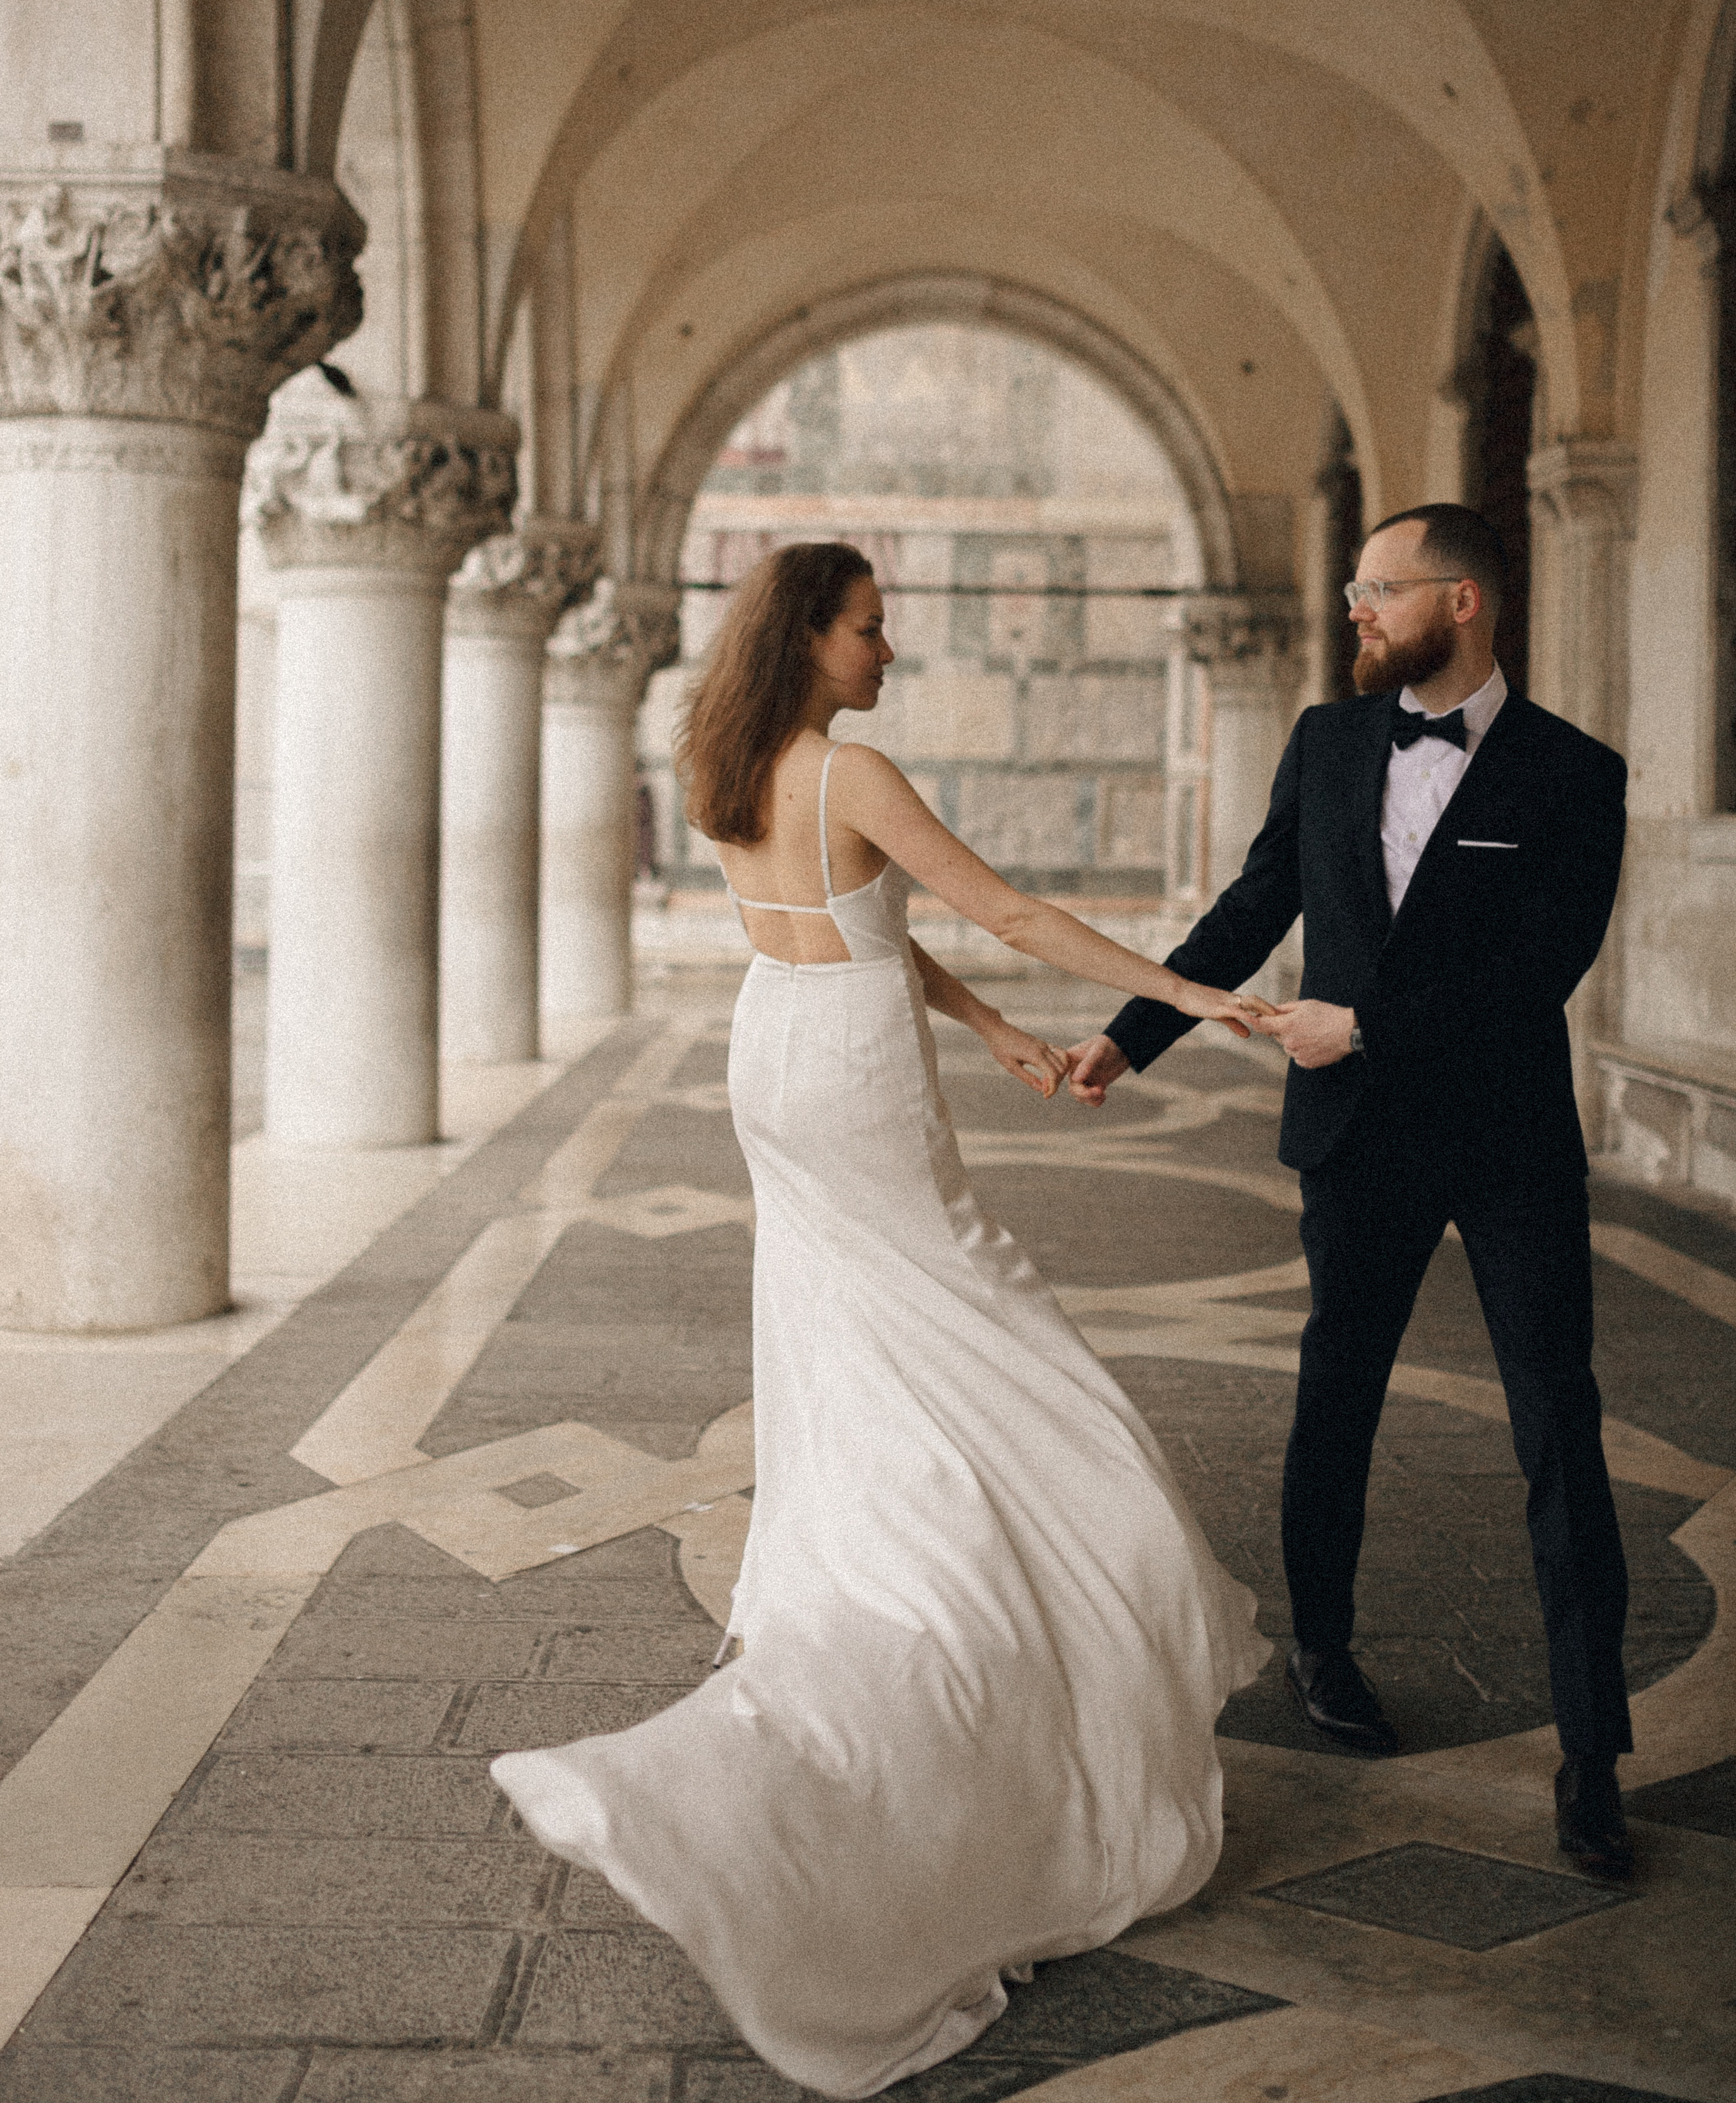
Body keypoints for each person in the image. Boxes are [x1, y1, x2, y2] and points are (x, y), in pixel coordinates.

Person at [491, 540, 1271, 2097]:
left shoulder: (733, 755)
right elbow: (1015, 905)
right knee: (1009, 1349)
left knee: (856, 1346)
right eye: (866, 627)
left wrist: (982, 1023)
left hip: (778, 1046)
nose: (888, 648)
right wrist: (1201, 1000)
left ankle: (912, 1570)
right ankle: (922, 1703)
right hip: (844, 1075)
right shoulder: (850, 762)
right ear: (811, 638)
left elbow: (869, 920)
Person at [1066, 502, 1634, 1881]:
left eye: (1375, 590)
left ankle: (1590, 1750)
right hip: (1355, 1140)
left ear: (1459, 602)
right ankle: (1321, 1645)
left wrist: (1366, 1024)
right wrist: (1129, 1032)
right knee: (1335, 1394)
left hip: (1503, 1141)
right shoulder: (1325, 744)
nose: (1350, 611)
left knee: (1556, 1419)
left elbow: (1535, 972)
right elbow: (1257, 901)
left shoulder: (1574, 770)